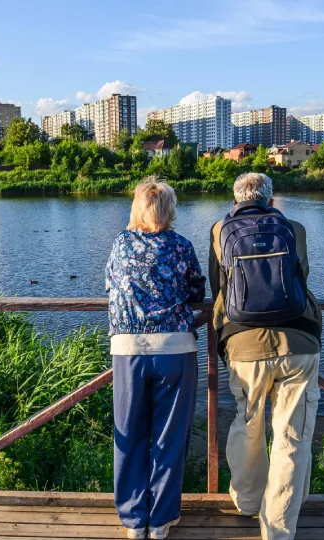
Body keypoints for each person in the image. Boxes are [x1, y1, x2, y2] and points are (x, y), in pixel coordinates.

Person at [209, 172, 322, 540]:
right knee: (292, 437)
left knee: (248, 424)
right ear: (271, 200)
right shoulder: (294, 228)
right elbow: (302, 277)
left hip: (243, 346)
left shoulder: (219, 230)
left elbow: (219, 289)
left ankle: (247, 502)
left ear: (235, 200)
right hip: (299, 343)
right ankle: (278, 529)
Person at [106, 177, 206, 540]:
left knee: (130, 432)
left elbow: (109, 284)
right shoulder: (181, 245)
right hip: (174, 348)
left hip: (129, 349)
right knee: (170, 436)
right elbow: (197, 290)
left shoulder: (121, 243)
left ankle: (134, 520)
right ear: (169, 209)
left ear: (137, 208)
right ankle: (161, 520)